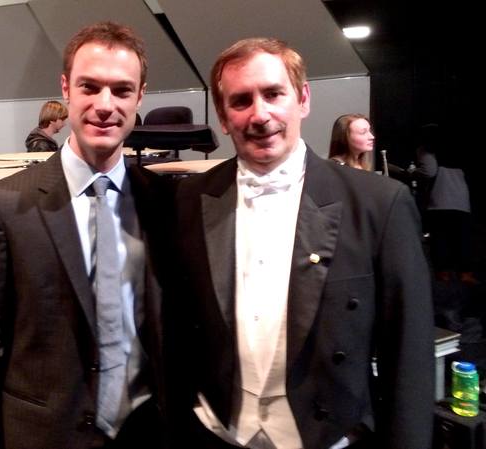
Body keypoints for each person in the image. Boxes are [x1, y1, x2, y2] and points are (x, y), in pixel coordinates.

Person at [168, 37, 434, 449]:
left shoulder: (380, 203)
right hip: (217, 433)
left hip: (328, 438)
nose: (260, 115)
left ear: (303, 99)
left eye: (274, 94)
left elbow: (409, 354)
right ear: (222, 117)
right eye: (241, 101)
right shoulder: (189, 199)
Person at [0, 22, 172, 449]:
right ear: (66, 88)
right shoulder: (5, 206)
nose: (105, 105)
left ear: (140, 97)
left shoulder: (162, 201)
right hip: (46, 436)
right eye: (90, 87)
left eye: (122, 90)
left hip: (146, 434)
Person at [415, 123, 476, 285]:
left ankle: (443, 274)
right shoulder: (457, 148)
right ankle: (466, 273)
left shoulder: (426, 150)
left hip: (439, 199)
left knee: (440, 239)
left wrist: (414, 173)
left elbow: (429, 171)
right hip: (461, 201)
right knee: (462, 239)